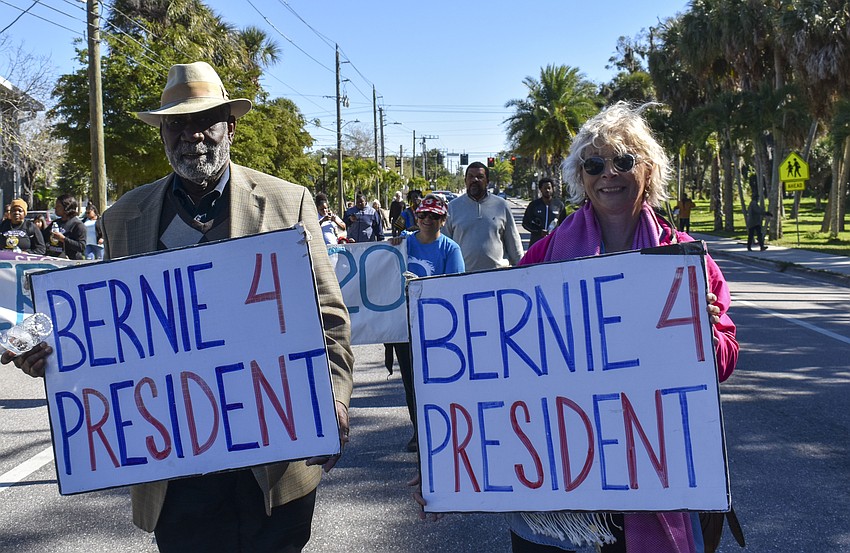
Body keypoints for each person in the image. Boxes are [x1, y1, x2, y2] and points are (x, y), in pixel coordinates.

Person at [3, 61, 354, 553]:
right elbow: (102, 318)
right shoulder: (125, 217)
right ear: (162, 132)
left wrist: (334, 401)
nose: (190, 134)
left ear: (230, 126)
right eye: (176, 122)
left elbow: (329, 320)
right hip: (177, 474)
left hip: (274, 467)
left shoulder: (285, 201)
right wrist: (43, 347)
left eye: (203, 119)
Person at [512, 101, 738, 552]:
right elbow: (508, 361)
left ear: (649, 171)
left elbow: (726, 358)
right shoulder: (541, 260)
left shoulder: (688, 258)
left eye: (623, 161)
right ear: (581, 177)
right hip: (565, 479)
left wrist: (705, 333)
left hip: (658, 468)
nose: (608, 173)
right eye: (594, 164)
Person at [388, 193, 464, 451]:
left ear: (443, 220)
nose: (428, 220)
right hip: (404, 325)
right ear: (416, 216)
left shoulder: (450, 249)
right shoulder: (403, 243)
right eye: (423, 215)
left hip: (437, 328)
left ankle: (443, 428)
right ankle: (419, 431)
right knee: (411, 382)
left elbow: (455, 287)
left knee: (437, 381)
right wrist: (389, 246)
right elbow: (380, 266)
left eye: (434, 216)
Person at [443, 161, 524, 271]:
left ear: (487, 181)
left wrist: (523, 269)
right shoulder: (452, 207)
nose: (474, 180)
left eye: (480, 177)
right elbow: (444, 245)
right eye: (470, 177)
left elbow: (514, 243)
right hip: (462, 277)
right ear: (465, 181)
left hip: (497, 275)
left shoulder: (501, 205)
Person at [522, 177, 565, 247]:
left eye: (549, 188)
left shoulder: (559, 205)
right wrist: (539, 232)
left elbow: (564, 225)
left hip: (553, 243)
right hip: (536, 243)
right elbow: (525, 223)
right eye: (545, 188)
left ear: (552, 189)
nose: (547, 190)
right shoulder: (534, 205)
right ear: (540, 189)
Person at [44, 193, 86, 259]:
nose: (55, 208)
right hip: (53, 260)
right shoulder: (55, 223)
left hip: (70, 262)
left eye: (58, 206)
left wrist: (63, 239)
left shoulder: (77, 225)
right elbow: (43, 237)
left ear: (67, 207)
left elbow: (81, 247)